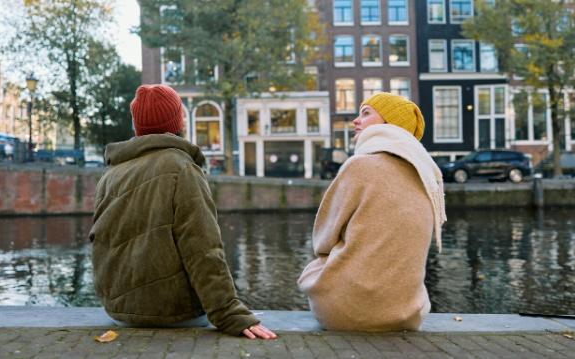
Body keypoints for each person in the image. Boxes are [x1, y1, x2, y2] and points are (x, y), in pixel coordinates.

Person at [90, 84, 276, 339]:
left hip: (118, 311)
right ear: (178, 122)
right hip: (171, 312)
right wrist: (230, 314)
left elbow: (100, 242)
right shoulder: (181, 168)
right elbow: (203, 248)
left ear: (136, 126)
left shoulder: (111, 174)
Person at [298, 92, 446, 332]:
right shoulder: (427, 176)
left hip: (342, 312)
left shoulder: (359, 166)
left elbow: (322, 240)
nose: (356, 120)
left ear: (389, 123)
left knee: (318, 265)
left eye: (365, 113)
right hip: (406, 315)